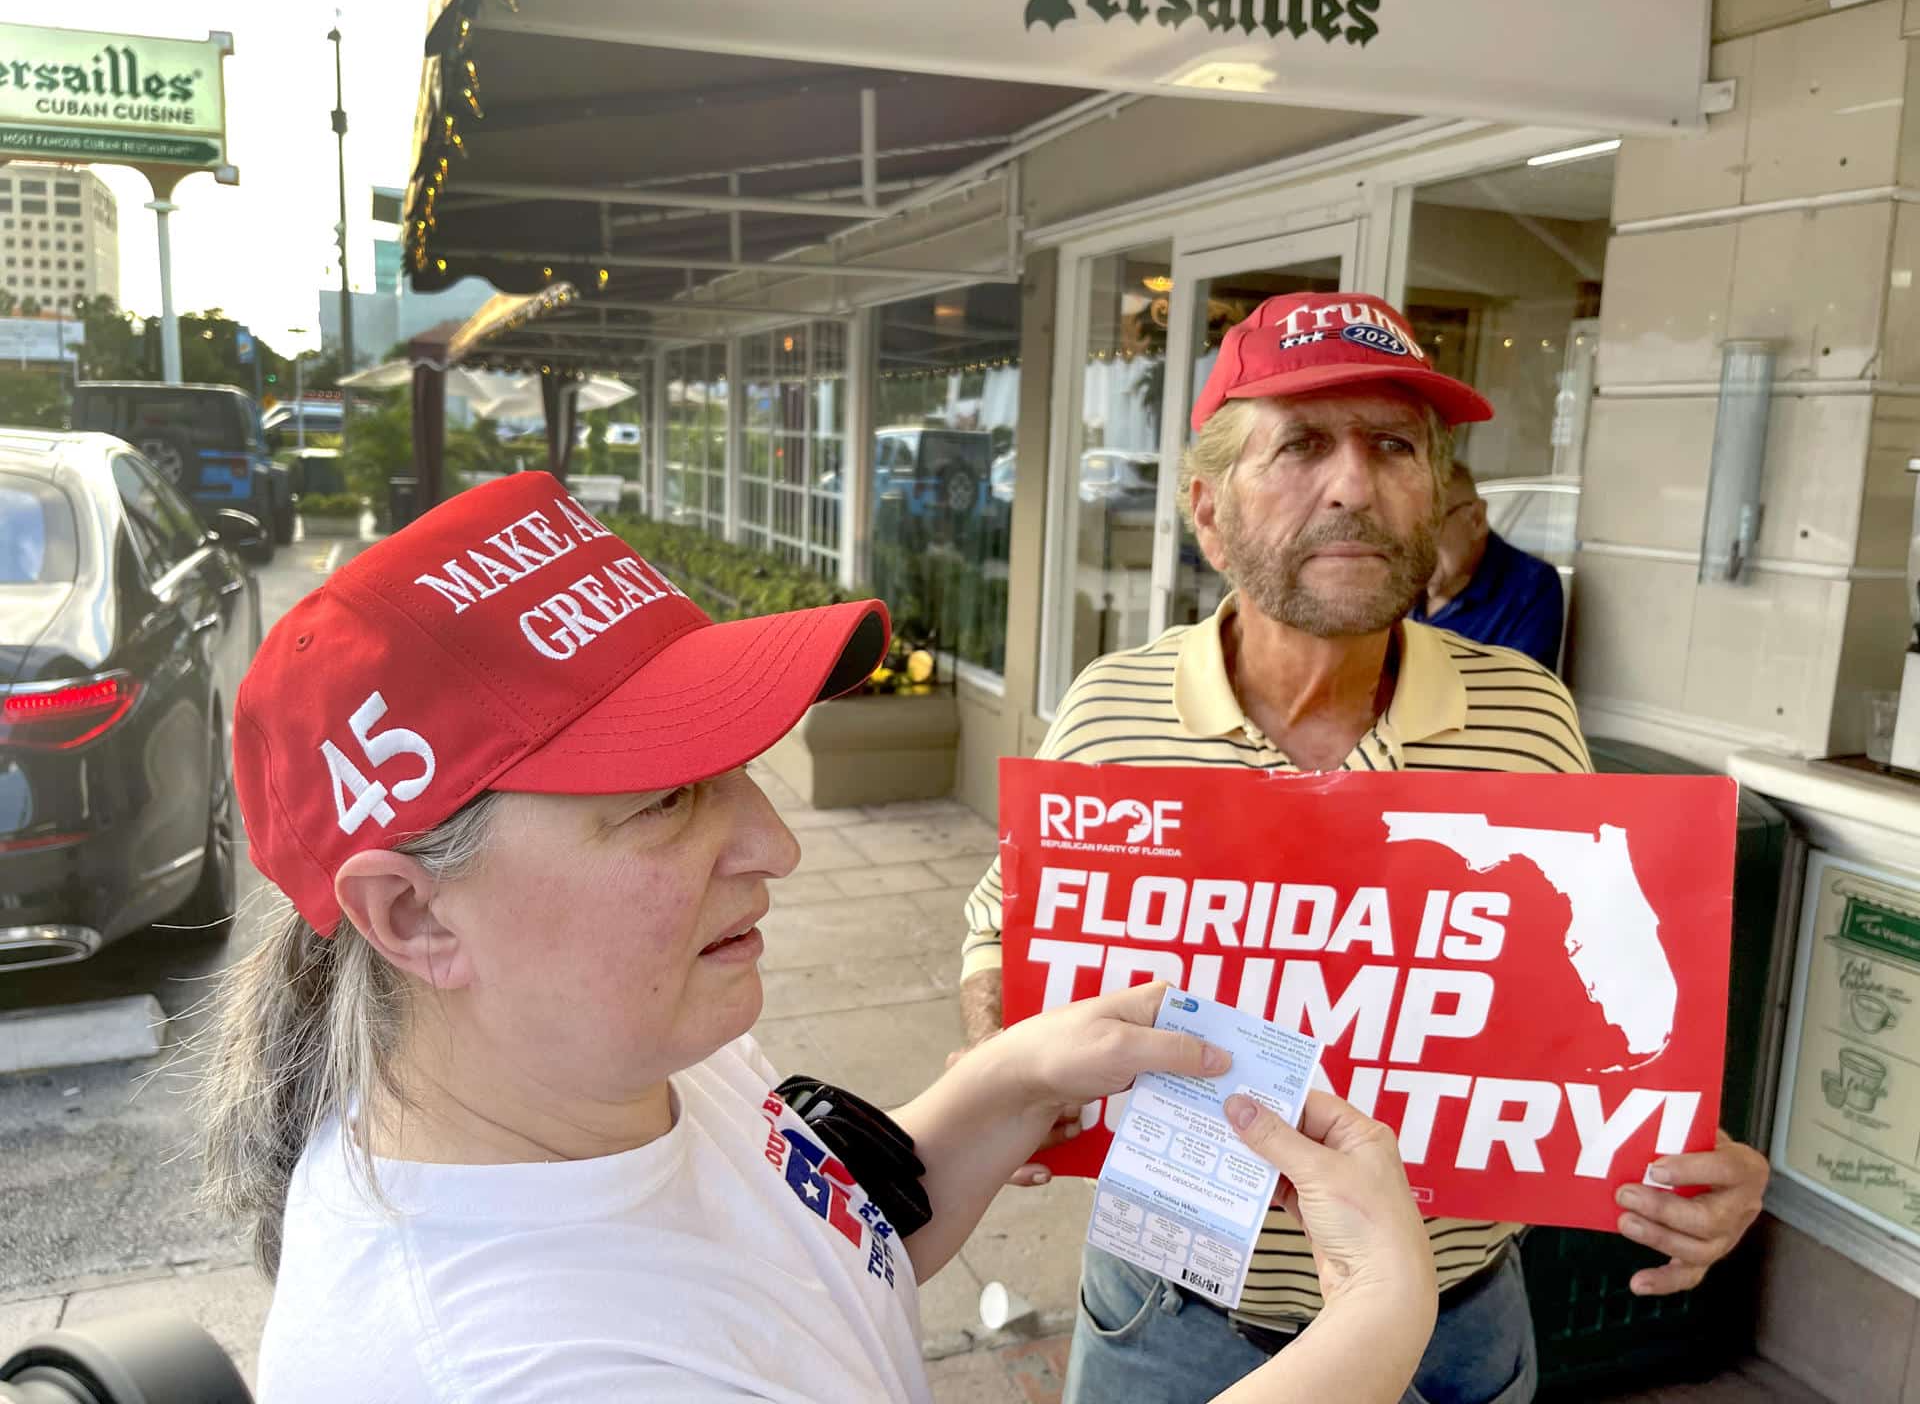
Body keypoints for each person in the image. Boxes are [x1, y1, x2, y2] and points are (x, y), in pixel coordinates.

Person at [194, 469, 1442, 1404]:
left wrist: (1008, 1081)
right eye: (667, 800)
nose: (773, 847)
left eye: (736, 769)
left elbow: (829, 1249)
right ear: (413, 914)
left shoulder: (607, 1061)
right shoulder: (518, 1369)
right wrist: (1373, 1330)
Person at [956, 291, 1769, 1404]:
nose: (1353, 483)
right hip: (1175, 1304)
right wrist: (998, 1033)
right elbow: (1006, 923)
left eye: (1394, 445)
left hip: (1452, 1314)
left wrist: (1675, 1148)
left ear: (1434, 498)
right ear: (1206, 512)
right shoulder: (1113, 711)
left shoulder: (1528, 717)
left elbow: (1561, 989)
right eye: (1299, 445)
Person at [1410, 461, 1565, 670]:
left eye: (1429, 526)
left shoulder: (1528, 588)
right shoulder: (1398, 581)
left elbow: (1519, 694)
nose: (1413, 544)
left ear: (1476, 519)